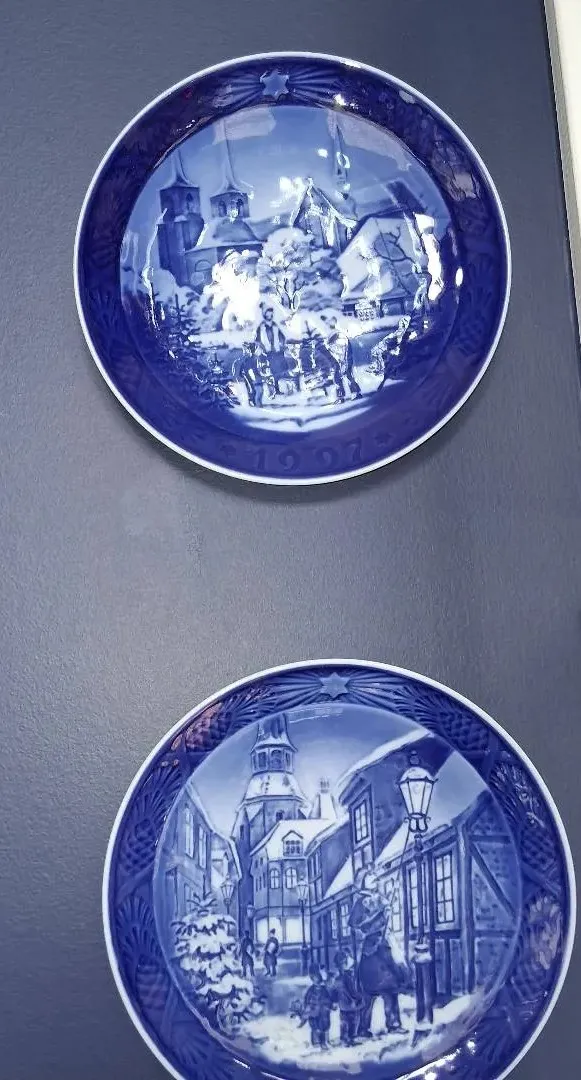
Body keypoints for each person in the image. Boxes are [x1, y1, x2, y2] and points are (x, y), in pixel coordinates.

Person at [349, 867, 407, 1038]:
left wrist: (388, 906)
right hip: (371, 951)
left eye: (374, 876)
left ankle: (394, 1024)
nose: (374, 877)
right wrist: (380, 916)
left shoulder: (380, 898)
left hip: (384, 948)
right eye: (369, 876)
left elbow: (386, 921)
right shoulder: (360, 903)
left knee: (390, 987)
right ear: (362, 881)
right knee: (368, 993)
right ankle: (362, 1028)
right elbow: (359, 926)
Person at [325, 315, 362, 399]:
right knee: (342, 375)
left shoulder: (337, 335)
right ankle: (352, 393)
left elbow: (341, 350)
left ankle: (353, 393)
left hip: (343, 359)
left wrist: (342, 361)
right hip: (342, 359)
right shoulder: (333, 334)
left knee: (344, 375)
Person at [255, 305, 289, 394]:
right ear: (265, 315)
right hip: (267, 352)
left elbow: (282, 337)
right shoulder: (261, 327)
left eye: (271, 314)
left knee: (280, 370)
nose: (270, 315)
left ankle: (281, 388)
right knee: (270, 371)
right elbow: (257, 340)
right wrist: (262, 348)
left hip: (277, 351)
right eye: (268, 314)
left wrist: (282, 345)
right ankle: (272, 391)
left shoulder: (275, 325)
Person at [331, 949, 362, 1047]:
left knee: (344, 1022)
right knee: (353, 1021)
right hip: (351, 1004)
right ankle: (352, 1038)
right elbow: (352, 991)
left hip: (342, 1005)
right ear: (344, 963)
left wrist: (334, 1001)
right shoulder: (347, 977)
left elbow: (334, 992)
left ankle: (344, 1038)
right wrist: (358, 998)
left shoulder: (336, 979)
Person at [302, 963, 333, 1049]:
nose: (318, 978)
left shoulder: (324, 989)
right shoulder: (311, 990)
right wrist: (308, 1010)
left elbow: (329, 998)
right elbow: (307, 1001)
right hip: (314, 1013)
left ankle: (324, 1041)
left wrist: (330, 1006)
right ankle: (316, 1042)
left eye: (319, 976)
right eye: (315, 976)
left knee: (325, 1026)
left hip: (324, 1012)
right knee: (315, 1027)